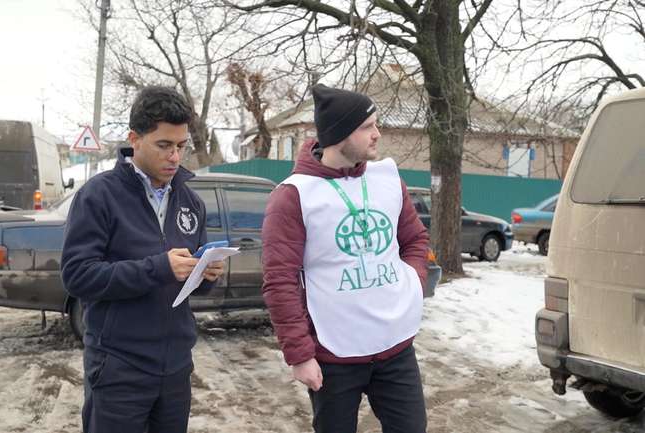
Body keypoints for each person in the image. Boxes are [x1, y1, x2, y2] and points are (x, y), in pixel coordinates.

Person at [261, 84, 430, 433]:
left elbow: (414, 240)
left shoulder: (386, 178)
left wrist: (412, 283)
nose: (377, 134)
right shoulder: (294, 196)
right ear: (339, 134)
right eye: (367, 127)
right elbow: (280, 280)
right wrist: (299, 354)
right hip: (334, 355)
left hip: (395, 347)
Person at [61, 86, 225, 433]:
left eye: (181, 146)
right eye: (164, 145)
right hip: (119, 366)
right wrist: (158, 267)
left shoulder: (191, 202)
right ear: (134, 139)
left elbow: (194, 290)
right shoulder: (99, 195)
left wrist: (206, 275)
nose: (175, 157)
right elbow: (78, 276)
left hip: (176, 367)